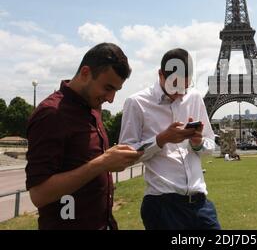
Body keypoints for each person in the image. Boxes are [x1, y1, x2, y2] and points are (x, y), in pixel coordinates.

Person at [26, 43, 143, 230]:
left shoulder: (91, 107)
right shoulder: (51, 113)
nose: (111, 98)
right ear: (85, 73)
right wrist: (103, 163)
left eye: (116, 91)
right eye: (107, 88)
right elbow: (39, 194)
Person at [119, 48, 221, 230]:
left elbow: (210, 146)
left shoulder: (195, 97)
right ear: (160, 74)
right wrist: (161, 139)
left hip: (200, 203)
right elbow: (125, 155)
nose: (180, 94)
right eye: (175, 86)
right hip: (162, 203)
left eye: (185, 87)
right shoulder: (136, 103)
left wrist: (198, 144)